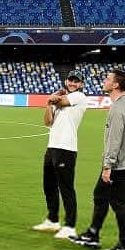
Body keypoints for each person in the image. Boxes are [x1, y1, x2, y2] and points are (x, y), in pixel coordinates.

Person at [70, 69, 125, 250]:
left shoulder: (119, 107)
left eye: (108, 79)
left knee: (119, 203)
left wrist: (108, 166)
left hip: (117, 164)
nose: (104, 80)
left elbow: (114, 139)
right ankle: (93, 234)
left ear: (116, 85)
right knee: (100, 195)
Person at [31, 72, 88, 240]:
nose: (72, 83)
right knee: (48, 185)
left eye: (76, 81)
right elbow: (47, 121)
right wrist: (49, 103)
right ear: (66, 81)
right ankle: (52, 220)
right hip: (52, 146)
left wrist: (53, 97)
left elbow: (60, 101)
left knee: (66, 188)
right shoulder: (58, 99)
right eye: (70, 80)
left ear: (81, 84)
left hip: (67, 148)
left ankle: (70, 226)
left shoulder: (79, 96)